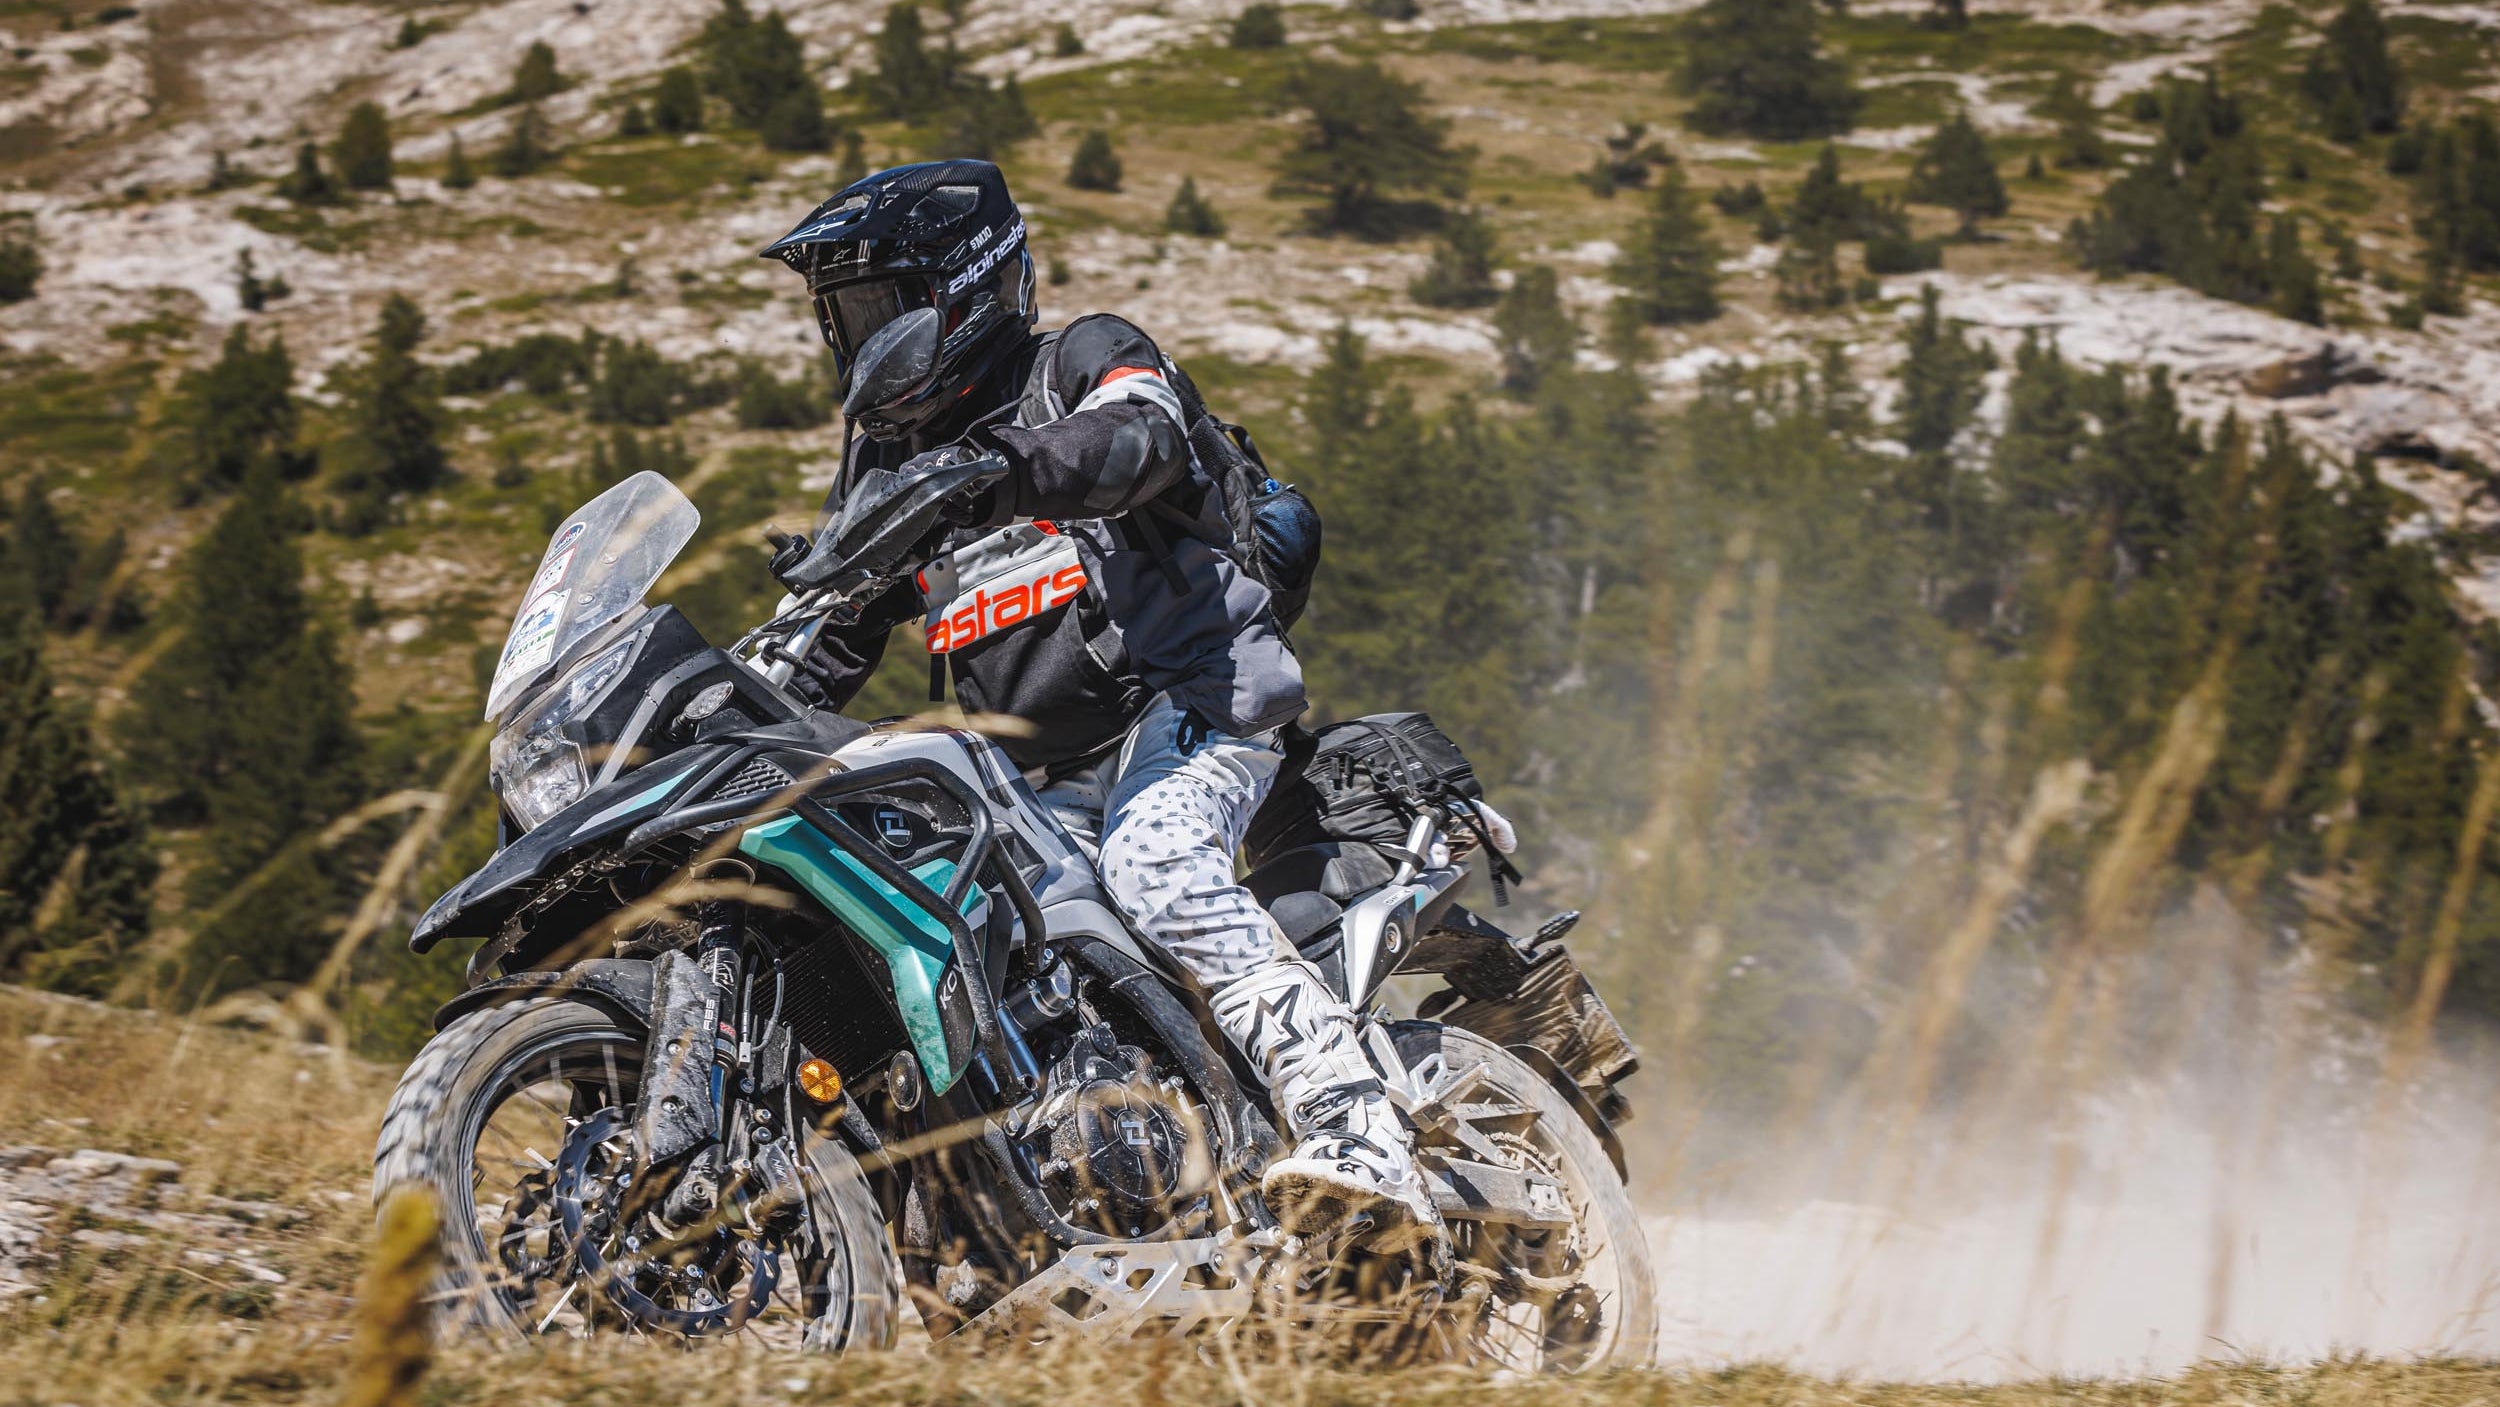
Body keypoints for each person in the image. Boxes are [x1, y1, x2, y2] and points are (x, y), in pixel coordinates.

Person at [758, 159, 1436, 1243]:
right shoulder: (891, 460)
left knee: (1154, 865)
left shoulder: (1079, 359)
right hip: (1044, 779)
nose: (859, 337)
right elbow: (829, 637)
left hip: (1196, 703)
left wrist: (992, 472)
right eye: (844, 314)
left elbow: (1141, 437)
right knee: (943, 928)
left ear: (962, 286)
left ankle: (1357, 1128)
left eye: (881, 306)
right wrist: (718, 715)